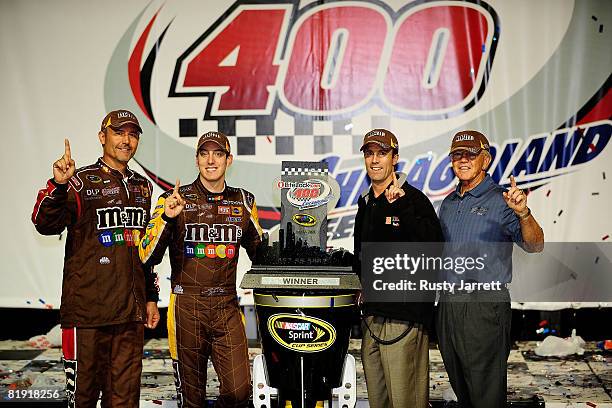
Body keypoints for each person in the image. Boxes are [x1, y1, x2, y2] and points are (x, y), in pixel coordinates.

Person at [31, 110, 160, 407]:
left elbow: (145, 250)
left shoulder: (143, 187)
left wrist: (151, 297)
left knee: (125, 400)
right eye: (118, 132)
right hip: (87, 314)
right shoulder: (79, 182)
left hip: (129, 314)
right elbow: (44, 223)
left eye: (132, 134)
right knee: (83, 399)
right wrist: (58, 184)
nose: (126, 140)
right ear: (103, 137)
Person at [139, 131, 262, 407]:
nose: (211, 160)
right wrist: (168, 219)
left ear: (229, 160)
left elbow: (261, 254)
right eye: (204, 154)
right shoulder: (173, 200)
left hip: (226, 307)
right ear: (196, 160)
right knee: (191, 399)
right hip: (186, 307)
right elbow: (147, 256)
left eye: (218, 153)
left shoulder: (244, 201)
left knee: (240, 392)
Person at [436, 130, 544, 408]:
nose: (463, 160)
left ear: (485, 160)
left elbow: (535, 245)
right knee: (462, 389)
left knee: (485, 394)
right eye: (457, 155)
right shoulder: (448, 204)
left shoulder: (501, 200)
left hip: (483, 305)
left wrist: (523, 214)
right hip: (448, 303)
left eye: (470, 154)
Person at [353, 129, 444, 408]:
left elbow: (435, 249)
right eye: (370, 154)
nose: (375, 160)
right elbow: (362, 255)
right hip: (372, 317)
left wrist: (402, 207)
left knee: (406, 401)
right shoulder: (366, 203)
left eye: (382, 153)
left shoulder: (413, 200)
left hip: (403, 317)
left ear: (395, 158)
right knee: (379, 401)